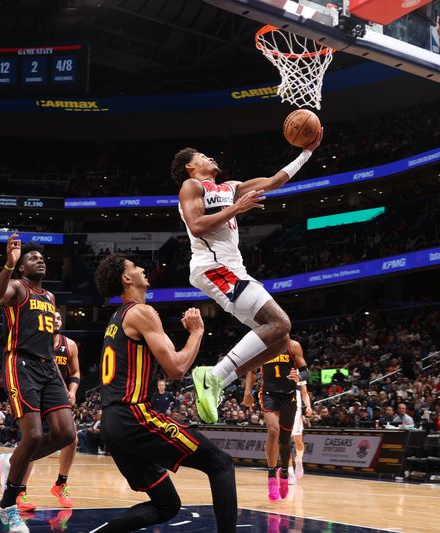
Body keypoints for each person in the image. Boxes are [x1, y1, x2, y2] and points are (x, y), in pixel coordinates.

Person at [172, 130, 323, 423]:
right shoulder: (191, 186)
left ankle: (218, 380)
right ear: (190, 166)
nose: (211, 157)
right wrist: (235, 210)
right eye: (202, 156)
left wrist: (306, 152)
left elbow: (273, 181)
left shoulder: (230, 187)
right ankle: (213, 376)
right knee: (281, 321)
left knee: (281, 340)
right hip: (212, 266)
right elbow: (197, 225)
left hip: (233, 269)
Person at [91, 253, 237, 532]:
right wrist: (196, 332)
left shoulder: (116, 318)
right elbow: (177, 368)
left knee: (166, 505)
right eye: (134, 267)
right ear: (126, 278)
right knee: (221, 464)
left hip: (112, 423)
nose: (142, 268)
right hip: (133, 415)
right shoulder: (142, 313)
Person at [0, 235, 76, 533]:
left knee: (65, 433)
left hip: (48, 367)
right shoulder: (16, 286)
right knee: (34, 436)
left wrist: (61, 381)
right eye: (33, 257)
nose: (40, 260)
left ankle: (12, 461)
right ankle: (7, 506)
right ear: (22, 266)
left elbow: (50, 344)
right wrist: (8, 266)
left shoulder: (50, 297)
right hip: (20, 363)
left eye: (42, 258)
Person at [18, 311, 80, 511]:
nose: (56, 320)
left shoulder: (69, 345)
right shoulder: (34, 342)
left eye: (59, 318)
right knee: (32, 439)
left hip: (56, 393)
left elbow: (76, 372)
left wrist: (72, 391)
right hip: (35, 390)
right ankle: (21, 491)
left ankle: (61, 484)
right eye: (52, 317)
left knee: (72, 439)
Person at [243, 338, 310, 500]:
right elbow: (251, 371)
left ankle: (285, 474)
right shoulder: (262, 347)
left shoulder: (293, 346)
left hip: (289, 397)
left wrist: (298, 375)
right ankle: (272, 475)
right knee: (273, 430)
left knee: (285, 440)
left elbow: (306, 371)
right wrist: (247, 392)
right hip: (268, 394)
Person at [287, 347, 313, 485]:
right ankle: (290, 472)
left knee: (298, 442)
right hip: (282, 409)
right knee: (285, 442)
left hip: (296, 410)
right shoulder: (277, 370)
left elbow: (304, 393)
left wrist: (308, 406)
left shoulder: (299, 372)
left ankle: (299, 460)